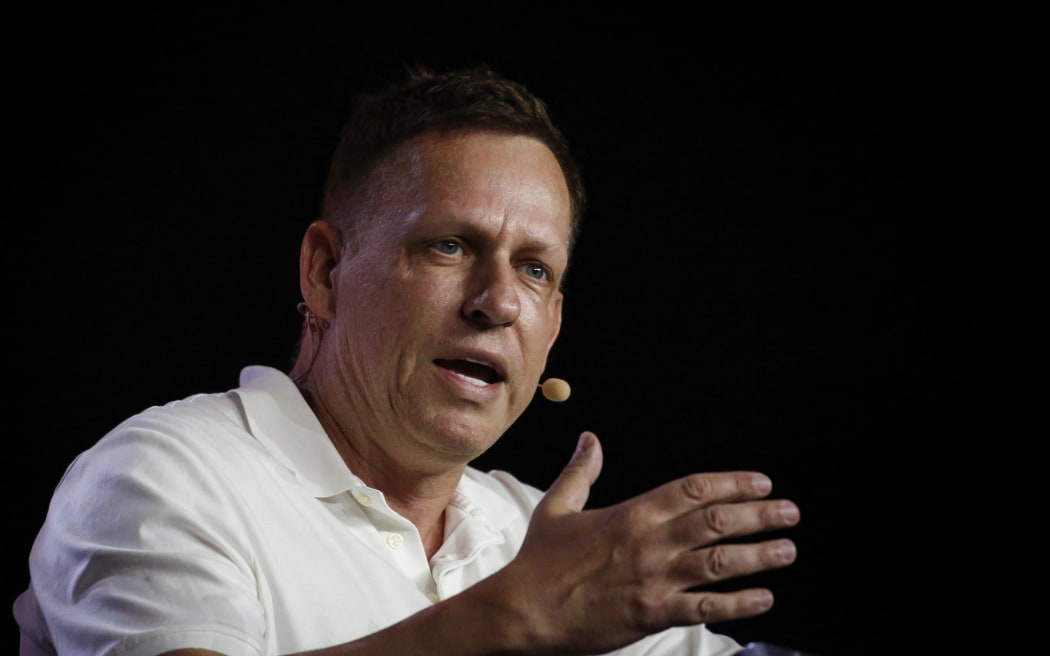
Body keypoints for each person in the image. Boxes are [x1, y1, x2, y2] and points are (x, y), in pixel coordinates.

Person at [13, 63, 801, 655]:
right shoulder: (164, 474)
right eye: (449, 246)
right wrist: (512, 618)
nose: (497, 302)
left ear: (553, 324)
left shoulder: (537, 535)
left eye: (535, 268)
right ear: (324, 273)